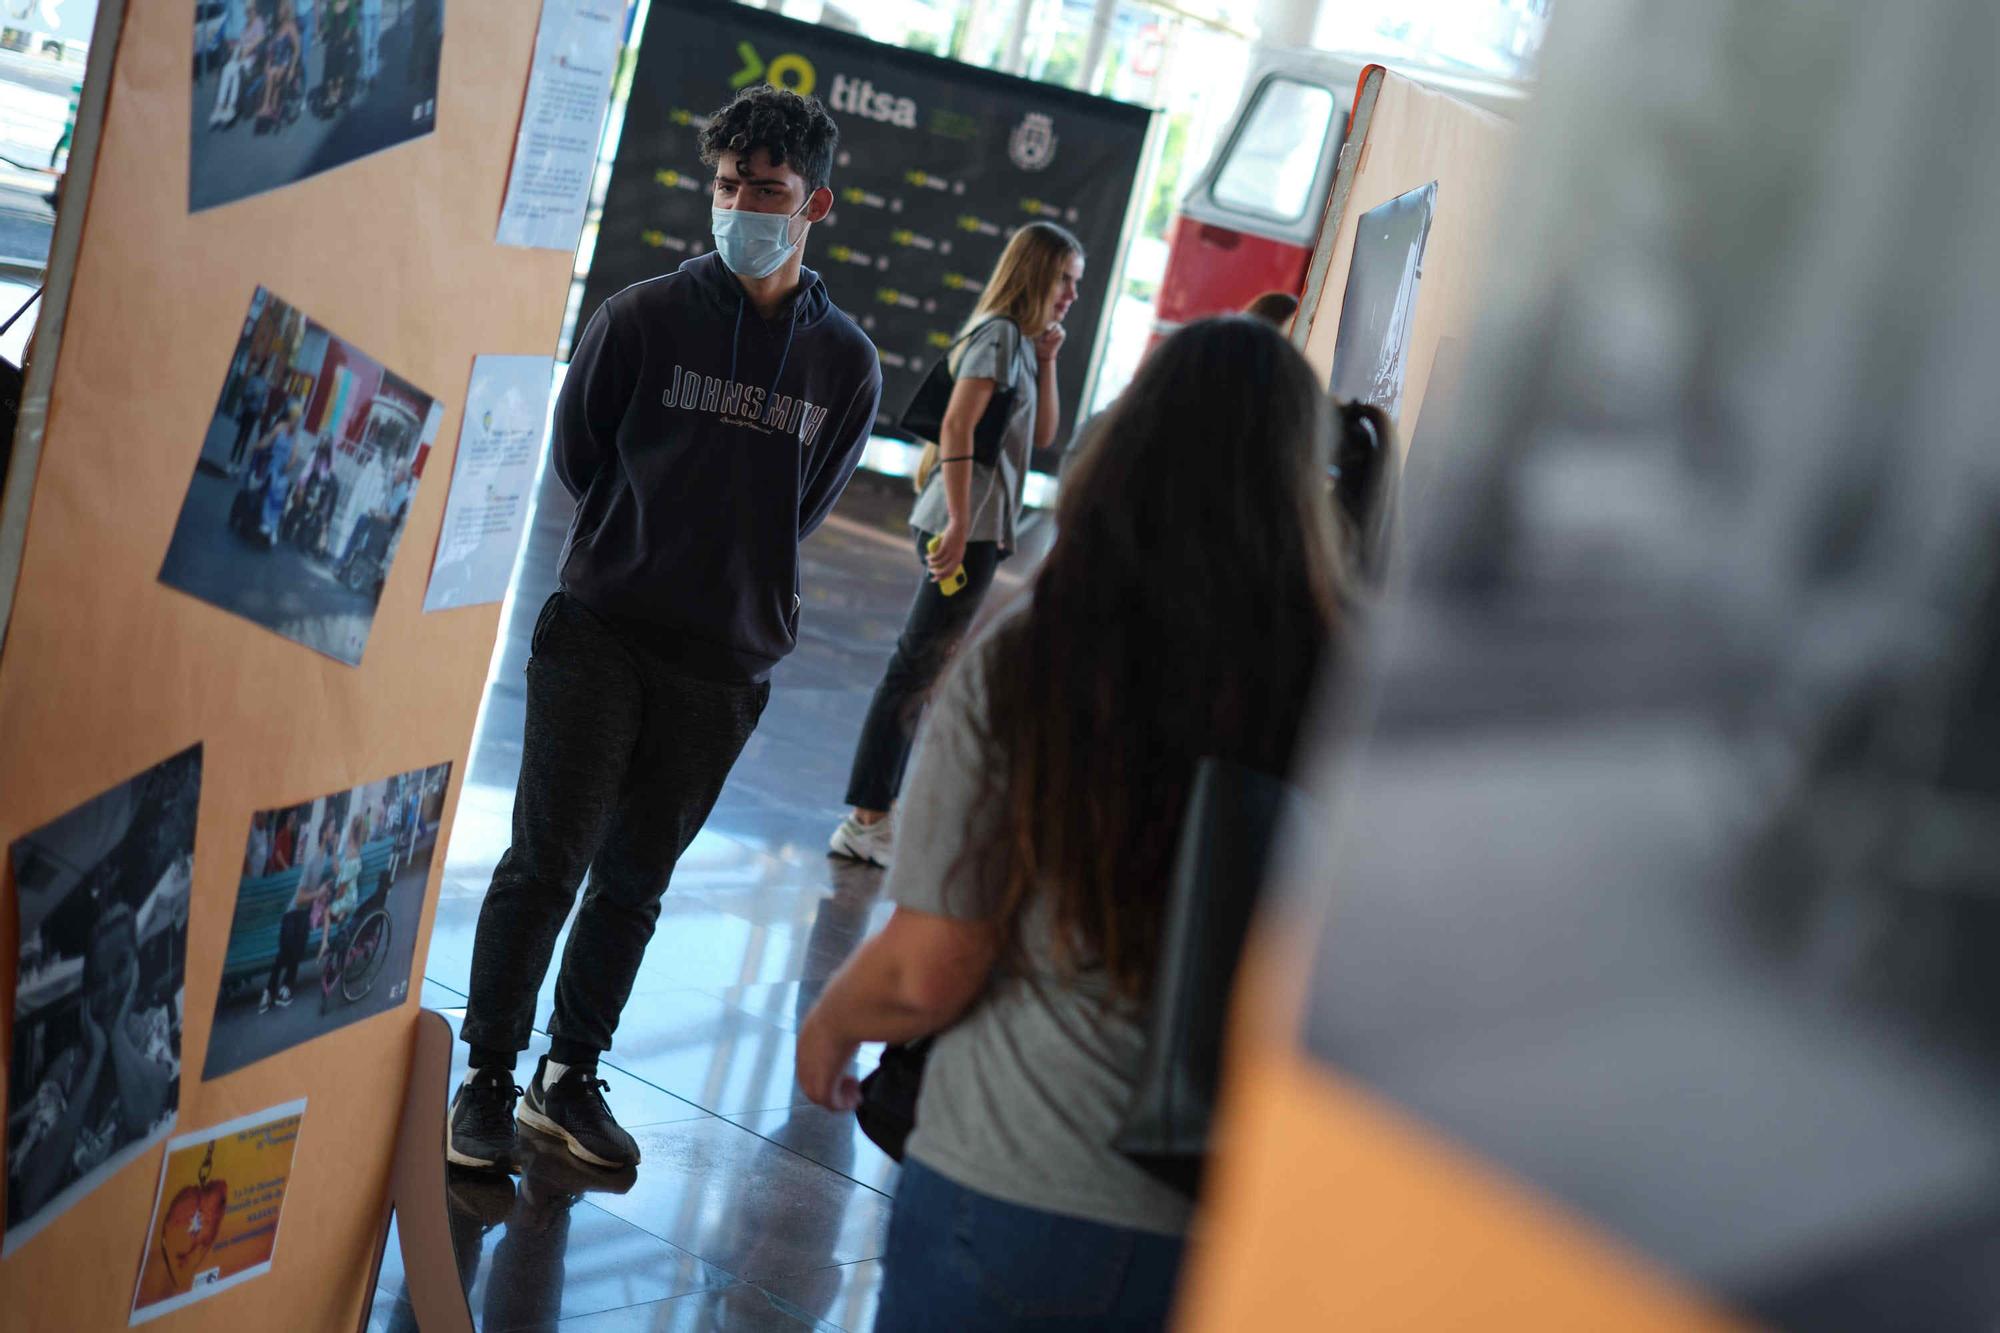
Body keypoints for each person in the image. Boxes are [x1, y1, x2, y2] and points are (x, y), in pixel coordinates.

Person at [797, 316, 1346, 1331]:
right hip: (1233, 1222)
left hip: (1010, 1188)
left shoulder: (1036, 661)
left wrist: (830, 1023)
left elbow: (932, 966)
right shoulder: (1348, 683)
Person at [448, 84, 880, 1173]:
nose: (740, 204)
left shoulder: (847, 365)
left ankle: (567, 1076)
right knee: (545, 863)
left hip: (725, 664)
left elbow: (806, 500)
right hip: (600, 631)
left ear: (815, 203)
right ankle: (487, 1078)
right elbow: (579, 456)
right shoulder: (640, 316)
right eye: (727, 184)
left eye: (766, 189)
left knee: (634, 884)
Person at [829, 221, 1083, 867]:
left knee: (924, 670)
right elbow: (957, 423)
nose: (1072, 296)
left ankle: (873, 813)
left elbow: (1045, 435)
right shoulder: (997, 336)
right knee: (914, 671)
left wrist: (1050, 360)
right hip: (961, 526)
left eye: (1078, 286)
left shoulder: (1022, 345)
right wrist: (963, 522)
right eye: (1065, 281)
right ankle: (866, 818)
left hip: (979, 528)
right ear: (1037, 274)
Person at [318, 813, 366, 975]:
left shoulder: (352, 856)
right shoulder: (352, 852)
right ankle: (341, 915)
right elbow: (338, 872)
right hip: (348, 896)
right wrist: (334, 852)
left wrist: (334, 900)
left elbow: (342, 887)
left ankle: (324, 943)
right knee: (335, 913)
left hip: (347, 897)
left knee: (326, 911)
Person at [209, 7, 267, 130]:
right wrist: (233, 45)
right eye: (247, 12)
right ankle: (219, 106)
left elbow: (261, 38)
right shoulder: (246, 25)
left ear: (255, 12)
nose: (248, 14)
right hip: (240, 56)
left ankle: (231, 106)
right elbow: (240, 42)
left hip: (251, 59)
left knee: (235, 71)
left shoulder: (259, 22)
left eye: (251, 11)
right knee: (226, 69)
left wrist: (248, 48)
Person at [256, 1, 302, 133]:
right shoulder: (277, 27)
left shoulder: (290, 26)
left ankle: (270, 106)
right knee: (270, 73)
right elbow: (271, 49)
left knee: (273, 74)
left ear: (286, 10)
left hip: (286, 61)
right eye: (278, 9)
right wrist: (267, 63)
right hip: (276, 61)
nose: (278, 11)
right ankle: (269, 106)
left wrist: (292, 68)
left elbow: (297, 49)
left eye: (281, 8)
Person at [229, 358, 270, 476]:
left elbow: (264, 401)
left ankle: (237, 465)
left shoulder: (265, 384)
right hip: (247, 411)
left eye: (268, 370)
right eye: (266, 368)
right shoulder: (253, 379)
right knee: (240, 436)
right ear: (262, 368)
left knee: (246, 439)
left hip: (254, 414)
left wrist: (263, 408)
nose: (267, 371)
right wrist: (253, 394)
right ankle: (231, 461)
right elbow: (244, 395)